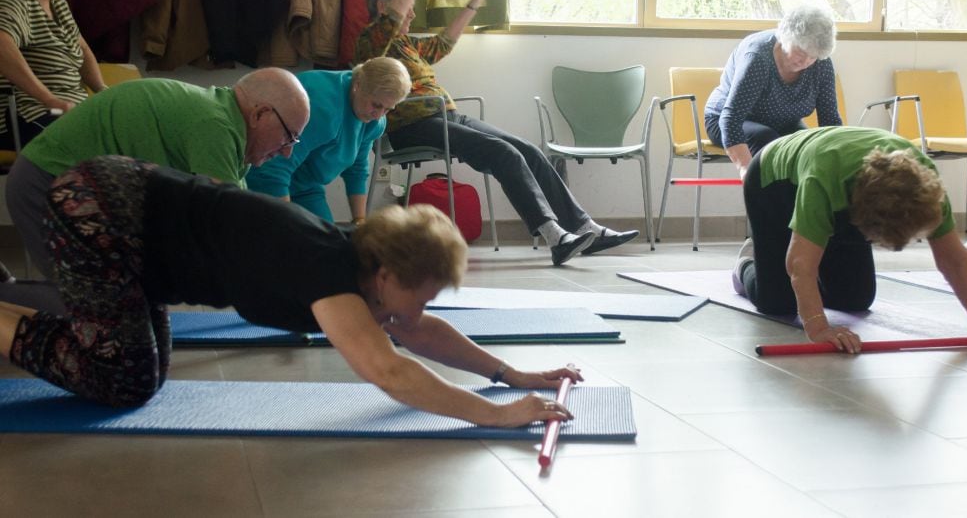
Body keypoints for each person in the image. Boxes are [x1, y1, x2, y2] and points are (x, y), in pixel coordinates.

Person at [0, 155, 581, 426]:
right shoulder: (322, 267)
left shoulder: (363, 265)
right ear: (386, 277)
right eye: (423, 294)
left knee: (144, 375)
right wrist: (492, 416)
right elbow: (390, 372)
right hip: (101, 209)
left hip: (141, 229)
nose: (423, 309)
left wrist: (512, 377)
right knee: (119, 378)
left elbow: (416, 331)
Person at [354, 0, 637, 266]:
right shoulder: (373, 41)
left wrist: (474, 2)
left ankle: (584, 227)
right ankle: (554, 235)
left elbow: (443, 44)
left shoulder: (405, 44)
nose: (412, 12)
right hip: (411, 126)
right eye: (406, 4)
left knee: (527, 150)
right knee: (503, 153)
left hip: (445, 116)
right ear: (382, 7)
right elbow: (399, 13)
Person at [731, 126, 967, 353]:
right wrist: (819, 327)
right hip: (773, 181)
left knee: (855, 299)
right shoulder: (823, 179)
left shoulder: (924, 184)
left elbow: (954, 259)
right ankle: (747, 265)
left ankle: (814, 240)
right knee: (778, 301)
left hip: (844, 176)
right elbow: (799, 266)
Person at [5, 68, 309, 282]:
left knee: (122, 302)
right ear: (260, 114)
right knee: (87, 308)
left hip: (69, 188)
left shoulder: (228, 124)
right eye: (288, 137)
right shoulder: (216, 127)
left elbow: (242, 217)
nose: (286, 153)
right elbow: (227, 231)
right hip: (44, 182)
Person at [246, 57, 410, 223]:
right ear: (357, 85)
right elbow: (272, 170)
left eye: (388, 109)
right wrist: (289, 226)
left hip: (306, 186)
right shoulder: (323, 108)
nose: (379, 115)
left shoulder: (374, 122)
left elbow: (357, 168)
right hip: (258, 176)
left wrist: (360, 221)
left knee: (327, 241)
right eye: (376, 105)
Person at [0, 0, 107, 146]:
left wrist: (103, 92)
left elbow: (81, 48)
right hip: (32, 113)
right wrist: (51, 100)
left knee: (140, 132)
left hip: (69, 110)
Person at [704, 5, 841, 179]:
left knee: (805, 145)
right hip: (725, 120)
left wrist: (837, 162)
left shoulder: (822, 64)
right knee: (768, 141)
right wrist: (746, 170)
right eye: (800, 52)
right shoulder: (758, 57)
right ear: (785, 38)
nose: (805, 61)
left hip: (781, 122)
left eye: (813, 57)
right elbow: (731, 119)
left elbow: (830, 121)